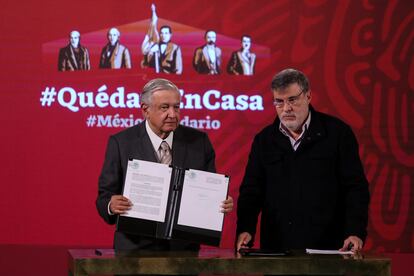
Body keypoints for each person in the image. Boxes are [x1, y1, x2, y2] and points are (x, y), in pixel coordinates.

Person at [236, 68, 370, 253]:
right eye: (279, 102)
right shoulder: (264, 140)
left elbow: (355, 188)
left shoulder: (338, 134)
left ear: (308, 96)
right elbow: (251, 192)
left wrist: (355, 231)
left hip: (329, 250)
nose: (286, 109)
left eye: (292, 100)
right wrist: (246, 229)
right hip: (277, 250)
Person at [96, 78, 233, 250]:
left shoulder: (199, 142)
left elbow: (209, 189)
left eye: (176, 107)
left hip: (183, 252)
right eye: (164, 107)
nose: (173, 114)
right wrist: (111, 205)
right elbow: (103, 197)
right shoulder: (121, 143)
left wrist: (219, 201)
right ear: (145, 110)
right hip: (134, 251)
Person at [141, 4, 182, 74]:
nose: (164, 35)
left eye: (166, 33)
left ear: (170, 35)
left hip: (169, 79)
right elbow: (145, 64)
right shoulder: (154, 46)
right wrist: (150, 52)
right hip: (154, 78)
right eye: (162, 33)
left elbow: (178, 68)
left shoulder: (175, 48)